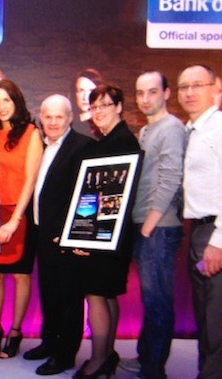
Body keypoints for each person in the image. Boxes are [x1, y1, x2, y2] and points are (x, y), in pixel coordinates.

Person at [177, 64, 222, 379]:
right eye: (184, 87)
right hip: (199, 230)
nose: (190, 92)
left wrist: (220, 241)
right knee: (206, 319)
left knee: (217, 321)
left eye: (197, 85)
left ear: (214, 88)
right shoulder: (191, 130)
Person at [118, 71, 185, 379]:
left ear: (166, 93)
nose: (145, 98)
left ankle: (154, 370)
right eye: (140, 92)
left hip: (157, 227)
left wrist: (149, 225)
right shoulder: (147, 130)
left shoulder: (171, 128)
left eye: (152, 92)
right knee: (150, 299)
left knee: (158, 303)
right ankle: (147, 359)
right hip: (145, 224)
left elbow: (172, 178)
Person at [72, 84, 141, 379]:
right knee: (107, 294)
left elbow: (112, 198)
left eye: (105, 105)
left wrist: (87, 235)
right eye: (94, 106)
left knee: (97, 294)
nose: (98, 112)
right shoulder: (107, 141)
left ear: (119, 107)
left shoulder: (122, 142)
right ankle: (107, 355)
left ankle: (98, 360)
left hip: (106, 233)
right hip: (107, 233)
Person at [23, 95, 94, 375]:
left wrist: (69, 233)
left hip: (66, 238)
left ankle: (65, 355)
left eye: (59, 117)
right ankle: (49, 343)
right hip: (43, 234)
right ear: (41, 118)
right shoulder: (40, 145)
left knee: (69, 299)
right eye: (48, 117)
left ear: (70, 118)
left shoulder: (83, 147)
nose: (52, 122)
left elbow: (86, 198)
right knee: (50, 294)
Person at [0, 79, 43, 359]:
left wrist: (15, 219)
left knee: (20, 275)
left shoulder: (31, 133)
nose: (2, 106)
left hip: (21, 213)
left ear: (16, 101)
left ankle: (16, 331)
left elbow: (31, 179)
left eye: (6, 100)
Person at [69, 68, 104, 141]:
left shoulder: (104, 127)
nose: (85, 97)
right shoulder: (68, 125)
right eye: (81, 90)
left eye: (91, 91)